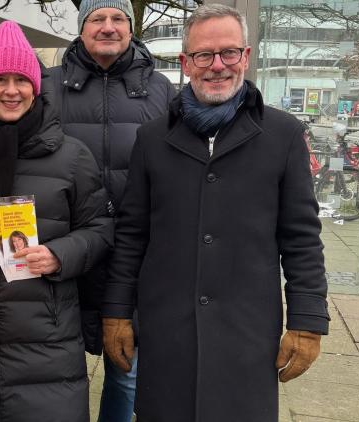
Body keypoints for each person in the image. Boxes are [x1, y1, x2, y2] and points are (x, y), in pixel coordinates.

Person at [102, 5, 330, 421]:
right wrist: (116, 313)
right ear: (186, 63)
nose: (217, 66)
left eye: (228, 53)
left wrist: (307, 321)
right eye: (204, 55)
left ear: (245, 57)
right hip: (167, 329)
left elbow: (301, 237)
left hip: (246, 332)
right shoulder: (153, 139)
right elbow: (132, 233)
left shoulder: (283, 135)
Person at [0, 21, 113, 421]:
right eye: (0, 79)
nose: (11, 90)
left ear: (37, 86)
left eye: (21, 79)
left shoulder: (72, 156)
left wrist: (59, 254)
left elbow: (101, 229)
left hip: (48, 343)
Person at [45, 1, 177, 419]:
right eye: (97, 18)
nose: (108, 27)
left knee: (128, 368)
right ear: (81, 28)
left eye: (118, 18)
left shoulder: (162, 90)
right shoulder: (46, 86)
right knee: (57, 370)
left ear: (131, 28)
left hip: (133, 252)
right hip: (62, 249)